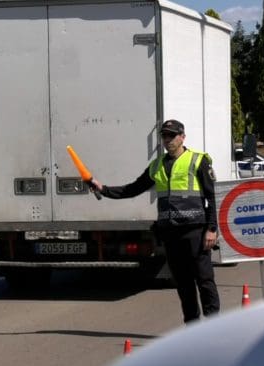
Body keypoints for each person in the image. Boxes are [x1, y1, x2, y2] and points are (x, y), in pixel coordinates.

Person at [89, 119, 219, 324]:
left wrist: (212, 229)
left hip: (195, 231)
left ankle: (214, 326)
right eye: (164, 136)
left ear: (182, 137)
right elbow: (132, 189)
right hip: (171, 234)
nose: (167, 140)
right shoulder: (157, 165)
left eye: (172, 135)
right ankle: (193, 327)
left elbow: (212, 197)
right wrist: (103, 189)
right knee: (183, 283)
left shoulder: (198, 160)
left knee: (204, 280)